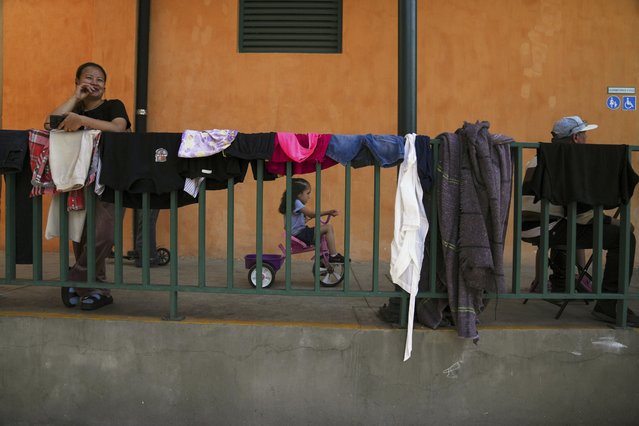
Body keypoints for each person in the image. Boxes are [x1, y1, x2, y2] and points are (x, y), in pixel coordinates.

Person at [522, 115, 638, 326]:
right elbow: (582, 214)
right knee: (624, 238)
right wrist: (613, 222)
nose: (587, 139)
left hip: (530, 226)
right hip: (549, 226)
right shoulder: (569, 160)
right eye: (585, 135)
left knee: (571, 225)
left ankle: (560, 282)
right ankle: (610, 305)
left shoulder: (541, 156)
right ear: (575, 138)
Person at [45, 62, 131, 310]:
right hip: (78, 180)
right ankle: (98, 289)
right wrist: (75, 99)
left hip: (111, 178)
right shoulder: (73, 109)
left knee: (103, 234)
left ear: (105, 86)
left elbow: (118, 127)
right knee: (81, 236)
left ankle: (74, 279)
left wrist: (81, 119)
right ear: (78, 81)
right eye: (88, 78)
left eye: (100, 79)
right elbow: (49, 124)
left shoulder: (113, 105)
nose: (94, 82)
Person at [278, 177, 345, 263]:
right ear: (299, 194)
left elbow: (297, 222)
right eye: (307, 193)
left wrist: (306, 219)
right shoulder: (296, 202)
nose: (309, 197)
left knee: (322, 232)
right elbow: (311, 214)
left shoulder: (291, 202)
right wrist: (328, 212)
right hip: (300, 234)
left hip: (298, 233)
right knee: (328, 227)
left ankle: (323, 258)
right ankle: (333, 255)